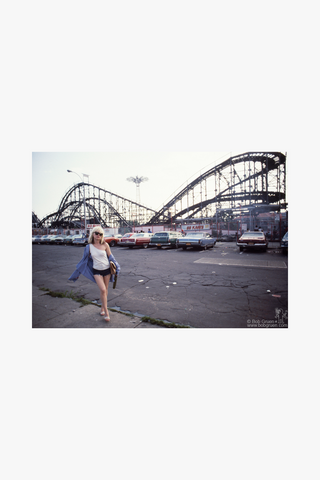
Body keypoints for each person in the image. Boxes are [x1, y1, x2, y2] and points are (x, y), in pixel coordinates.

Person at [68, 226, 120, 322]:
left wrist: (117, 267)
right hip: (96, 271)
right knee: (103, 289)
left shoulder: (105, 245)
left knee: (105, 290)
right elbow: (84, 261)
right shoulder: (89, 247)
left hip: (107, 270)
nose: (98, 235)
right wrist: (78, 272)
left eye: (100, 234)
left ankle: (102, 307)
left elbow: (111, 258)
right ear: (93, 234)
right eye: (96, 233)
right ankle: (107, 312)